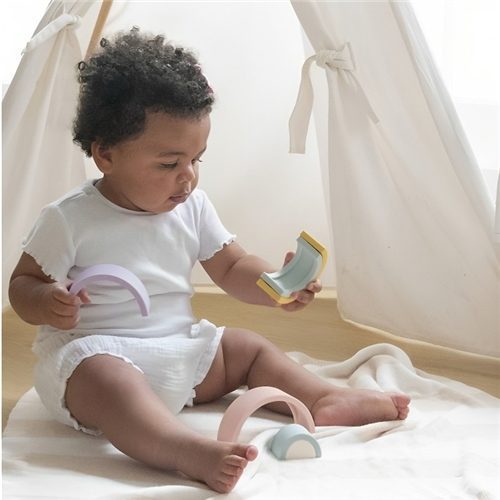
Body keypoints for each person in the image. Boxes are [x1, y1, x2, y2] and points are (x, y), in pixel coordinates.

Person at [9, 28, 410, 494]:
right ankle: (183, 450)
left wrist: (275, 284)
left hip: (179, 353)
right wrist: (48, 300)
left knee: (246, 347)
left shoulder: (192, 207)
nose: (188, 179)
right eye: (169, 164)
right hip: (95, 359)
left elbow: (232, 266)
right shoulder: (69, 218)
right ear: (105, 154)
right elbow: (22, 285)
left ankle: (322, 398)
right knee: (106, 377)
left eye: (197, 160)